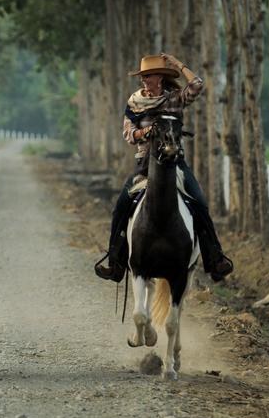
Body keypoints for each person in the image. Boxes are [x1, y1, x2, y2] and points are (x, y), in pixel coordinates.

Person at [94, 53, 234, 283]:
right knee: (120, 207)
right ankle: (115, 262)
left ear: (160, 77)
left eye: (148, 76)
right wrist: (146, 132)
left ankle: (215, 259)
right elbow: (128, 134)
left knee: (199, 202)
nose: (144, 80)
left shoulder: (175, 99)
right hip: (145, 164)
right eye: (143, 76)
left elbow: (197, 85)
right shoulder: (135, 101)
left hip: (175, 163)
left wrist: (178, 64)